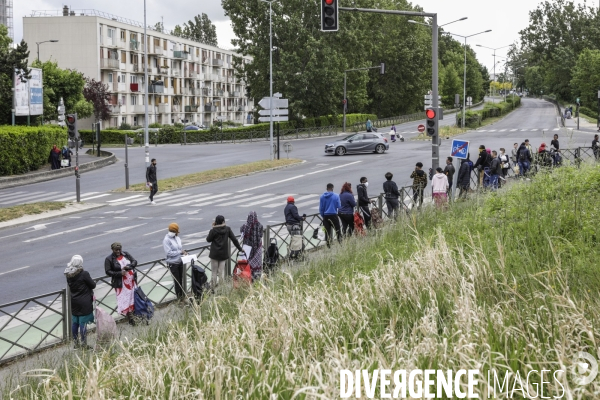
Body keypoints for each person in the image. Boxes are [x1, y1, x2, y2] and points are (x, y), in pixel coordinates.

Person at [65, 255, 96, 349]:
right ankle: (84, 344)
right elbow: (93, 285)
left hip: (74, 301)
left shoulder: (68, 274)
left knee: (75, 322)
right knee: (83, 323)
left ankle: (76, 343)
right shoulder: (84, 274)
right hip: (84, 301)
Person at [105, 243, 139, 324]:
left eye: (119, 249)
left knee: (133, 299)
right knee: (125, 301)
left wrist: (129, 267)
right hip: (120, 284)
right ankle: (131, 319)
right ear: (112, 250)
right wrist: (120, 273)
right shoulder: (109, 259)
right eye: (116, 250)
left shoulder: (125, 254)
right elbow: (108, 271)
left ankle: (136, 316)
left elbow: (134, 261)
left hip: (131, 282)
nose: (118, 251)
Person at [206, 215, 243, 288]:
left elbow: (208, 239)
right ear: (223, 221)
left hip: (214, 254)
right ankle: (221, 289)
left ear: (216, 222)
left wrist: (213, 227)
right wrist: (240, 248)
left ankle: (213, 288)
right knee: (221, 272)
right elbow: (234, 240)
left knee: (214, 272)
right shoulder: (227, 229)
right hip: (223, 254)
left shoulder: (213, 230)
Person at [163, 223, 187, 299]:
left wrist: (183, 252)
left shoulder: (177, 238)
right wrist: (179, 252)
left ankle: (183, 295)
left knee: (181, 279)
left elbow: (179, 248)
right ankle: (179, 297)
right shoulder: (166, 240)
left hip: (180, 261)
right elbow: (168, 253)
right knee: (177, 281)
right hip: (173, 263)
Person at [240, 211, 264, 281]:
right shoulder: (260, 225)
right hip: (257, 247)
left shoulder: (245, 226)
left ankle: (247, 276)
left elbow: (241, 230)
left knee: (247, 262)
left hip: (247, 249)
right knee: (257, 262)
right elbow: (261, 235)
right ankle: (256, 277)